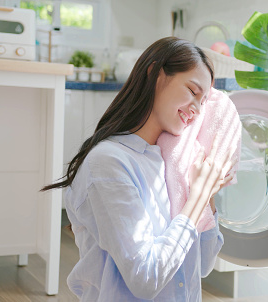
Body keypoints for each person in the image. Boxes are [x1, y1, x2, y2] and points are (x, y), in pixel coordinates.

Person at [42, 37, 235, 301]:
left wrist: (208, 194)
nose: (197, 110)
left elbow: (203, 265)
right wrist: (198, 196)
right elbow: (146, 279)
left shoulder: (174, 162)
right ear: (154, 73)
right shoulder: (108, 163)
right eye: (192, 91)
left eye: (203, 101)